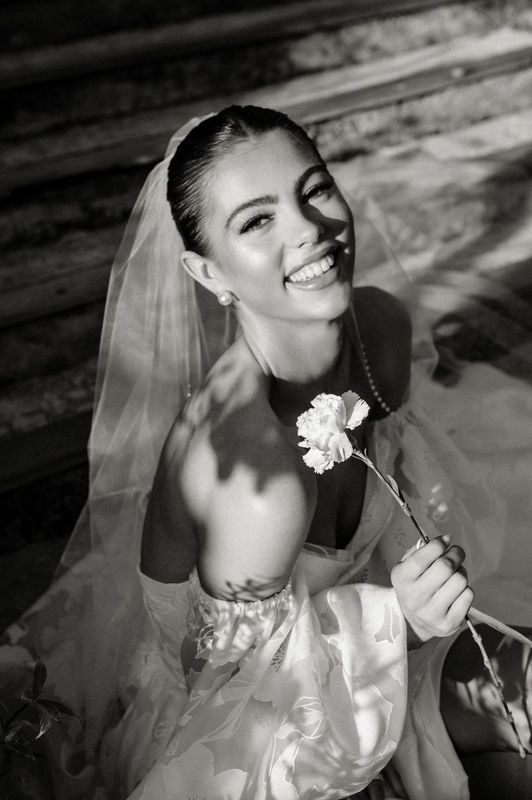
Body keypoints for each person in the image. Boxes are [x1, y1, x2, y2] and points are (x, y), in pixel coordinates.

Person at [0, 105, 530, 800]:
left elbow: (399, 497)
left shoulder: (380, 334)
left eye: (312, 189)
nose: (309, 229)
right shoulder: (257, 476)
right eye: (256, 221)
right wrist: (400, 620)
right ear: (208, 273)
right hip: (247, 737)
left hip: (361, 659)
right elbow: (238, 697)